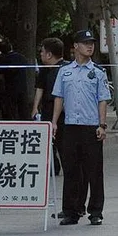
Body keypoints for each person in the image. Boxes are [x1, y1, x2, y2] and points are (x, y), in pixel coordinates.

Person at [51, 29, 112, 225]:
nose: (90, 46)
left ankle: (96, 211)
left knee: (94, 171)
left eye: (92, 42)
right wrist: (54, 122)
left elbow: (102, 99)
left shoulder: (98, 73)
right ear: (75, 46)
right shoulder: (64, 71)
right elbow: (59, 98)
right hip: (70, 126)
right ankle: (71, 210)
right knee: (71, 170)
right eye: (85, 43)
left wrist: (102, 125)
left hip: (90, 126)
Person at [32, 37, 68, 175]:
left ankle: (68, 168)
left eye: (42, 51)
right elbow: (40, 88)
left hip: (63, 112)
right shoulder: (44, 69)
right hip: (47, 109)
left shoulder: (66, 69)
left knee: (63, 142)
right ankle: (54, 167)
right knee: (48, 142)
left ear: (49, 54)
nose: (40, 54)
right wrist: (35, 107)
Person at [0, 37, 28, 120]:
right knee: (23, 110)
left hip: (10, 89)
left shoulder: (4, 60)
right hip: (22, 88)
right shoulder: (22, 57)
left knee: (11, 111)